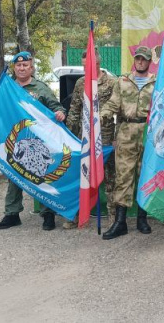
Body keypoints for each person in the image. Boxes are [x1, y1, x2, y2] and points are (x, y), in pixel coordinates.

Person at [0, 51, 66, 232]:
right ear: (14, 68)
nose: (21, 68)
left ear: (31, 68)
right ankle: (12, 214)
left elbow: (56, 107)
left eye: (25, 65)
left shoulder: (41, 88)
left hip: (37, 143)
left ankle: (48, 214)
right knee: (14, 175)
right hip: (15, 139)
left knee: (39, 175)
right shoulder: (7, 88)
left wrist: (60, 113)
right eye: (18, 65)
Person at [100, 46, 156, 240]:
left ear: (149, 61)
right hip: (126, 132)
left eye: (144, 59)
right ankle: (120, 222)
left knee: (144, 176)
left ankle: (142, 219)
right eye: (138, 58)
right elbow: (113, 103)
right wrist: (102, 115)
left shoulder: (157, 82)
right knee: (123, 177)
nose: (140, 61)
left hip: (148, 134)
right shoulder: (123, 81)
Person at [63, 49, 117, 229]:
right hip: (84, 140)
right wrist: (69, 136)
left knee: (110, 178)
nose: (86, 69)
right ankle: (77, 214)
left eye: (89, 65)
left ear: (98, 63)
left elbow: (119, 111)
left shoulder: (112, 82)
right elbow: (74, 110)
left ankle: (113, 216)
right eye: (84, 66)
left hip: (106, 139)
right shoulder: (80, 83)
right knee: (81, 178)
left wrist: (117, 137)